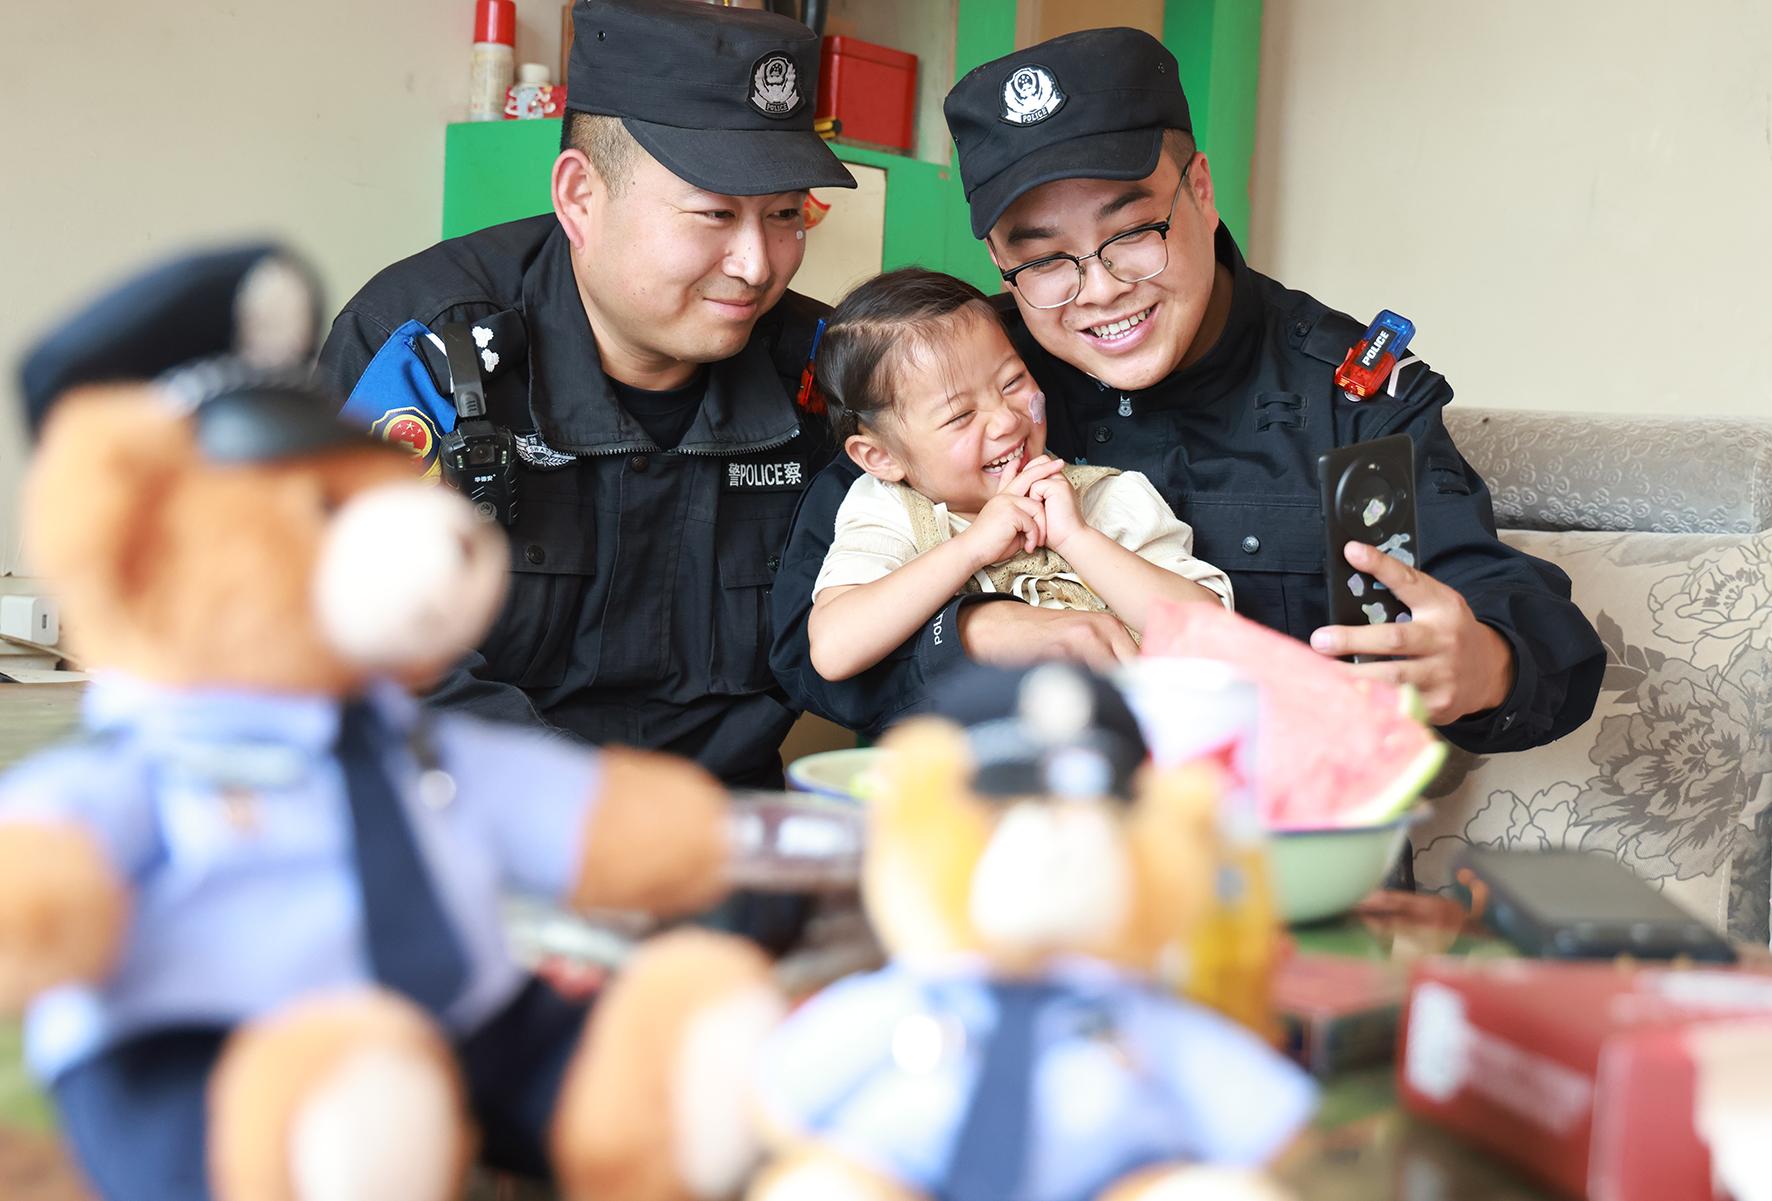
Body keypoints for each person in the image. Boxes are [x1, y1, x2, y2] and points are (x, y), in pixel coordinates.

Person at [770, 26, 1604, 755]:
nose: (1099, 289)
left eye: (1134, 232)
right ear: (999, 258)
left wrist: (1486, 662)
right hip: (1006, 844)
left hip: (1276, 846)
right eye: (1045, 258)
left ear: (1200, 192)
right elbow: (806, 650)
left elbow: (1515, 622)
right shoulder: (958, 374)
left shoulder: (1343, 397)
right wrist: (979, 631)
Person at [317, 0, 855, 789]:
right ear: (579, 197)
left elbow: (895, 601)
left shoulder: (826, 368)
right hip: (468, 816)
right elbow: (356, 646)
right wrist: (598, 812)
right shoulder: (424, 353)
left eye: (784, 215)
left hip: (725, 830)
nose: (756, 264)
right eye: (714, 213)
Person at [805, 268, 1231, 684]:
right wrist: (971, 547)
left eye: (1012, 382)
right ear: (879, 457)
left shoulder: (1106, 497)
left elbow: (1214, 639)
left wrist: (1077, 538)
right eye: (960, 415)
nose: (1006, 420)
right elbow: (833, 649)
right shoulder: (887, 510)